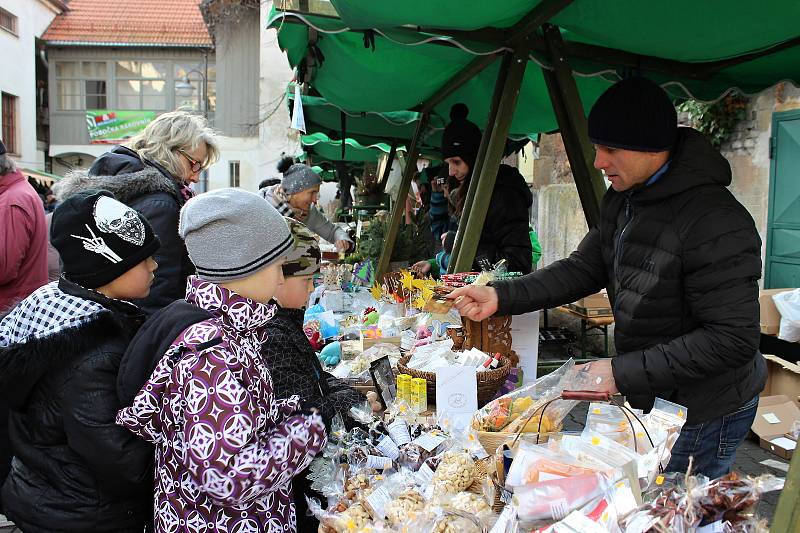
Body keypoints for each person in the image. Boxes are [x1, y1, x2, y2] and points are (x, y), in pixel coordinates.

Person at [450, 77, 766, 479]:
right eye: (597, 147)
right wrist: (502, 296)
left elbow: (732, 339)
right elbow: (585, 266)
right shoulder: (625, 197)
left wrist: (620, 371)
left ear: (651, 146)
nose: (598, 162)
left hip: (706, 408)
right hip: (652, 390)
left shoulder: (716, 221)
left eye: (610, 149)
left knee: (678, 510)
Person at [117, 188, 326, 532]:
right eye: (276, 265)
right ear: (244, 266)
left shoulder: (230, 331)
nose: (279, 277)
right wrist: (306, 431)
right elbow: (227, 477)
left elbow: (233, 424)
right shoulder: (211, 354)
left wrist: (281, 414)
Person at [0, 190, 160, 531]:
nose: (154, 266)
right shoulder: (91, 355)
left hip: (47, 495)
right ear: (106, 266)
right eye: (142, 258)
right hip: (87, 513)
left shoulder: (51, 307)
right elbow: (125, 463)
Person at [261, 218, 380, 530]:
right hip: (300, 483)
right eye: (307, 279)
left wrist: (348, 393)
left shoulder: (284, 321)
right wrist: (352, 399)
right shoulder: (272, 336)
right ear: (277, 278)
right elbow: (305, 412)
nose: (313, 287)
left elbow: (316, 378)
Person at [59, 110, 220, 314]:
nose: (195, 177)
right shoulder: (160, 204)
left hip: (97, 314)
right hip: (136, 323)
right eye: (194, 164)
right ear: (170, 151)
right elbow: (157, 287)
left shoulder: (118, 181)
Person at [412, 104, 533, 276]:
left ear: (473, 157)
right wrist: (435, 263)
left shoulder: (505, 196)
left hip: (494, 300)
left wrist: (459, 244)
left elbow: (516, 266)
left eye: (457, 162)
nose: (451, 172)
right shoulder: (467, 193)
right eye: (448, 164)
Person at [260, 156, 353, 252]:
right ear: (294, 191)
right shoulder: (262, 208)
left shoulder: (309, 212)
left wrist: (343, 240)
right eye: (312, 192)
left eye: (316, 193)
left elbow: (333, 231)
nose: (315, 200)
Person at [0, 140, 48, 313]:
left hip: (9, 310)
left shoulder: (11, 202)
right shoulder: (17, 193)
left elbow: (3, 269)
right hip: (18, 306)